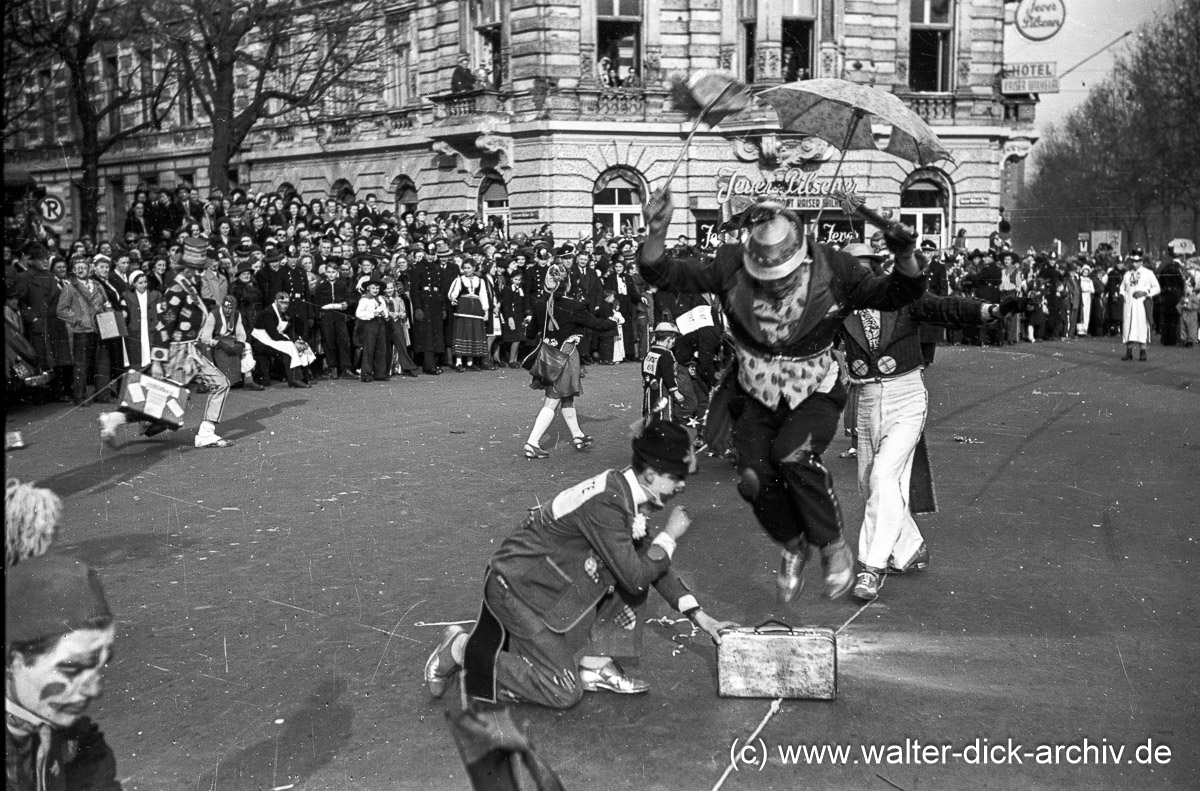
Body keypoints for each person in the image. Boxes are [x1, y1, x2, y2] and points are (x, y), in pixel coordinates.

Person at [638, 190, 928, 602]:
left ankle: (833, 546)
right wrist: (657, 229)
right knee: (754, 478)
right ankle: (793, 545)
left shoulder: (836, 267)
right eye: (765, 279)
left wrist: (905, 257)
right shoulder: (729, 265)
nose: (774, 287)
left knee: (792, 453)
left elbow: (898, 294)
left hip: (815, 387)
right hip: (754, 391)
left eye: (785, 278)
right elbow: (662, 274)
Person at [424, 418, 738, 708]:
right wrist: (669, 537)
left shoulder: (626, 493)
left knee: (635, 568)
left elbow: (650, 567)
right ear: (651, 474)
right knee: (562, 691)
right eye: (677, 477)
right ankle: (461, 647)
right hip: (516, 590)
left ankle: (595, 665)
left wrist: (702, 618)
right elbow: (638, 575)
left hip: (544, 585)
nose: (682, 485)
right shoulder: (609, 502)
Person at [839, 248, 1022, 601]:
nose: (856, 278)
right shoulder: (838, 310)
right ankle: (909, 547)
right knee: (868, 486)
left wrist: (992, 310)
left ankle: (871, 567)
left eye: (864, 271)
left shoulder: (903, 300)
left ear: (877, 272)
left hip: (906, 397)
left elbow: (946, 307)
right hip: (865, 401)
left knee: (882, 478)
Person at [99, 240, 236, 448]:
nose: (200, 273)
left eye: (201, 269)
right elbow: (164, 327)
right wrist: (157, 361)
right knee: (162, 402)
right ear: (185, 267)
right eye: (196, 269)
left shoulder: (188, 286)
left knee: (162, 402)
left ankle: (115, 419)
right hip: (180, 352)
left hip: (189, 350)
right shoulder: (176, 289)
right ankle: (116, 419)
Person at [5, 554, 121, 790]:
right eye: (71, 668)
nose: (94, 690)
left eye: (99, 667)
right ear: (13, 661)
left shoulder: (78, 743)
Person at [522, 264, 616, 459]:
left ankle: (578, 436)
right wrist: (616, 321)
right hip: (565, 356)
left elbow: (530, 333)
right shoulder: (574, 306)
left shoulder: (540, 304)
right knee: (553, 399)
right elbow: (598, 325)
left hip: (547, 356)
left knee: (566, 398)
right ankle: (532, 443)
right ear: (568, 285)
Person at [447, 259, 490, 371]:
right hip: (463, 308)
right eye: (464, 268)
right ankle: (459, 362)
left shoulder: (480, 281)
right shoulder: (459, 280)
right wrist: (453, 298)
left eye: (468, 268)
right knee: (462, 333)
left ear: (474, 268)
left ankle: (470, 362)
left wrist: (486, 311)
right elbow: (453, 292)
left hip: (475, 309)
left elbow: (483, 296)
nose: (466, 270)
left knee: (472, 334)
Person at [1119, 248, 1160, 362]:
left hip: (1141, 304)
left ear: (1141, 262)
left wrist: (1146, 293)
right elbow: (1122, 288)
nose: (1134, 264)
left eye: (1137, 261)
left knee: (1141, 326)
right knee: (1128, 326)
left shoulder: (1148, 273)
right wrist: (1122, 294)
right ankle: (1129, 352)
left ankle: (1143, 352)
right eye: (1133, 261)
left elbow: (1156, 288)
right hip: (1129, 304)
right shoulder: (1127, 274)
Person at [641, 322, 685, 421]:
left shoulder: (650, 353)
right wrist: (676, 392)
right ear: (669, 340)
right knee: (663, 411)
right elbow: (668, 375)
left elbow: (644, 371)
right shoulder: (666, 355)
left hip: (649, 388)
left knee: (649, 409)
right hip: (662, 389)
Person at [354, 277, 390, 382]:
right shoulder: (364, 299)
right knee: (369, 349)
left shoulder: (380, 299)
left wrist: (385, 313)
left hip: (380, 324)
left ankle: (380, 373)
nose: (375, 290)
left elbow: (384, 309)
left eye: (377, 288)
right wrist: (372, 314)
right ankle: (366, 373)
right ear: (368, 288)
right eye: (373, 288)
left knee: (381, 348)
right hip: (369, 325)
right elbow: (358, 313)